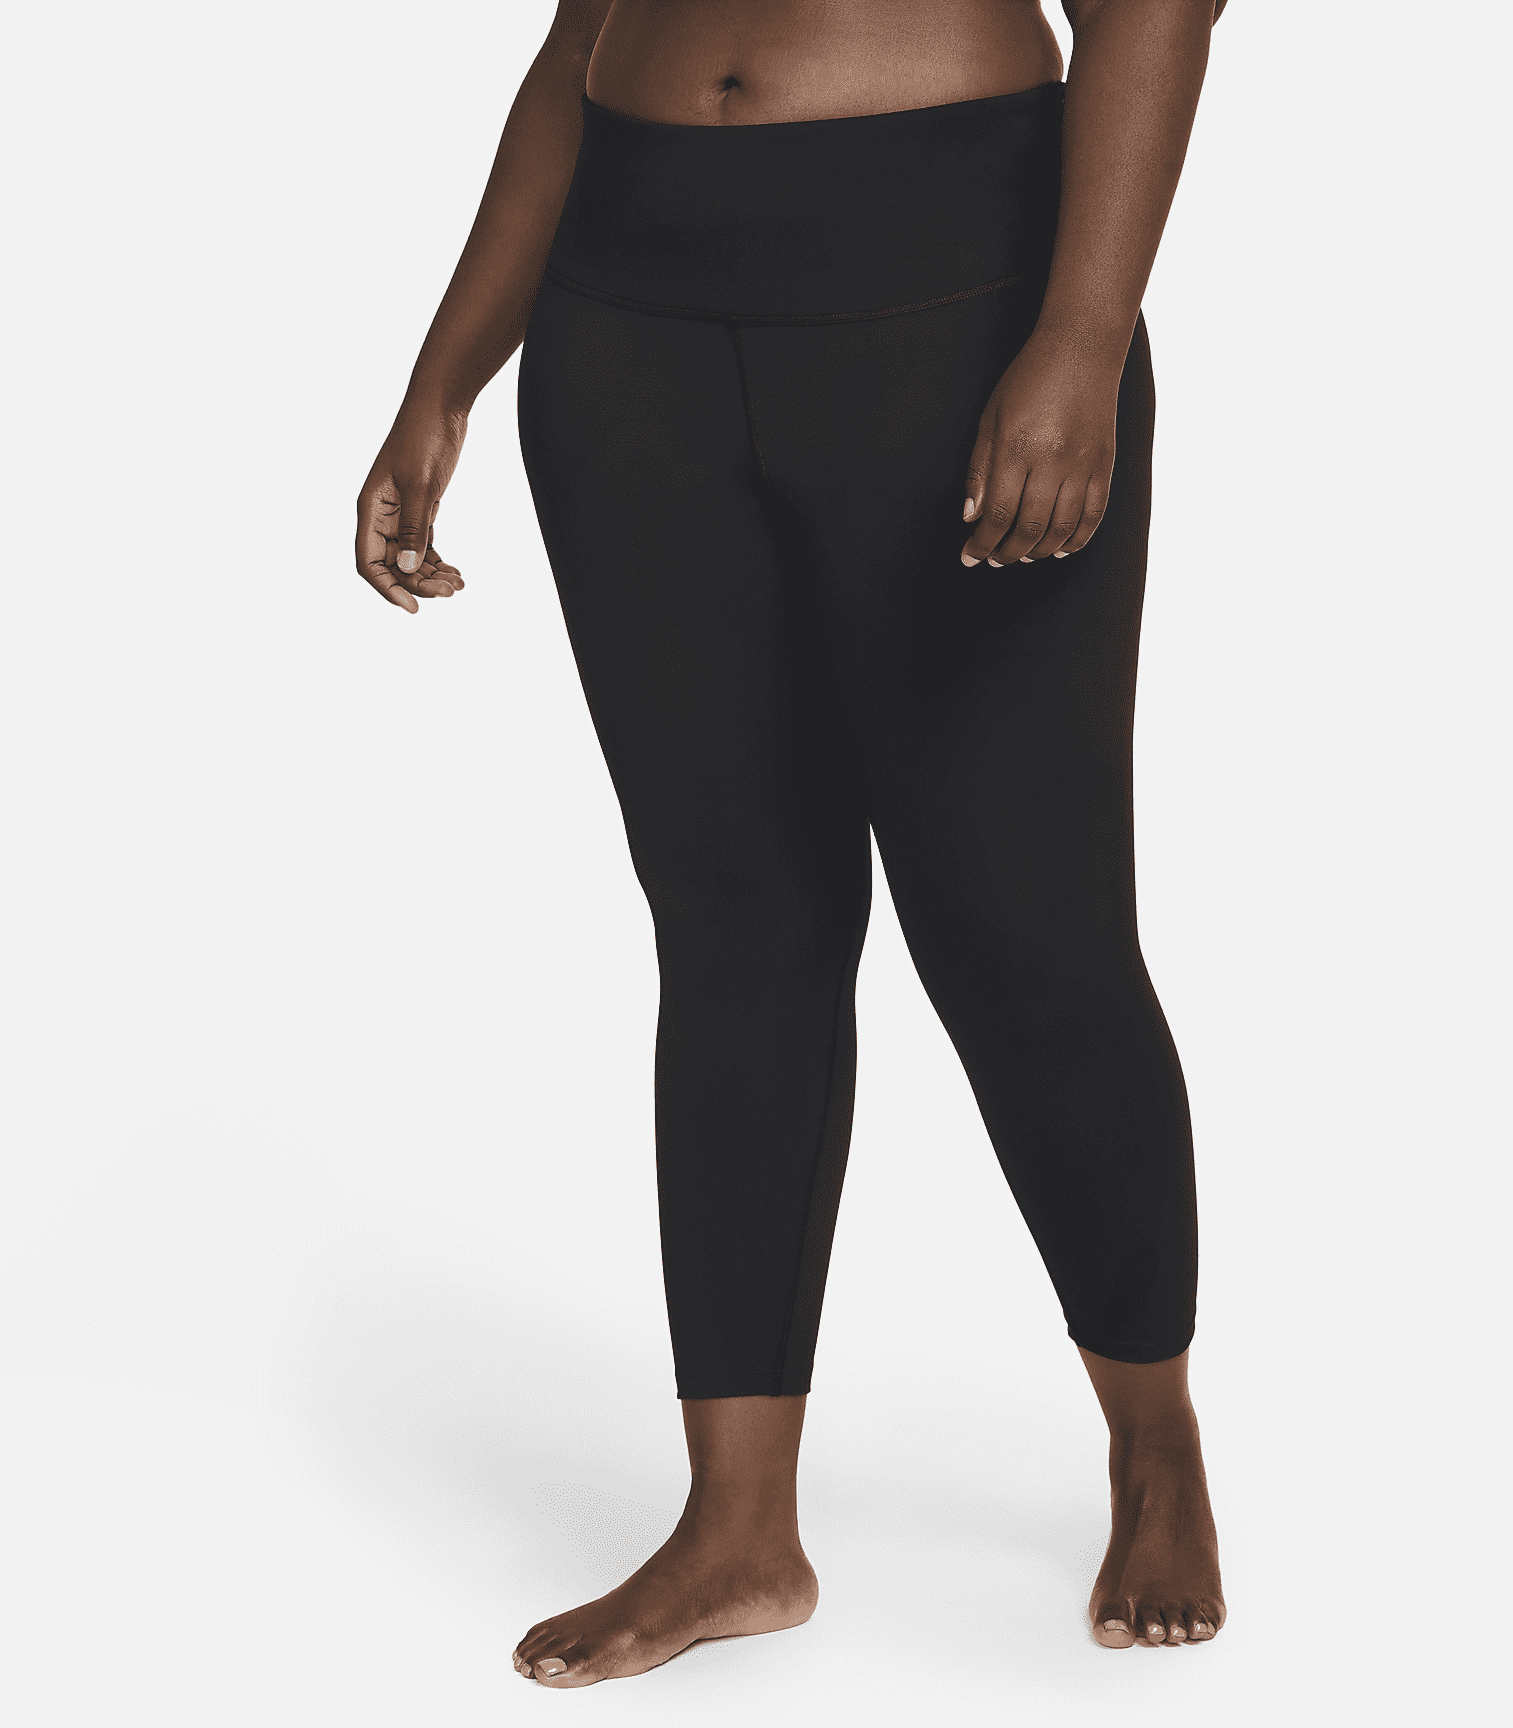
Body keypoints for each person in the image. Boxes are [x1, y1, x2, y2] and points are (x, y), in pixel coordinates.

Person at [354, 0, 1228, 1689]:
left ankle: (1153, 1433)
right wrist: (445, 377)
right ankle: (739, 1528)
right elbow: (576, 42)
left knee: (1026, 936)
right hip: (629, 319)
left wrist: (1080, 334)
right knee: (734, 927)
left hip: (951, 294)